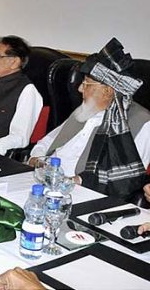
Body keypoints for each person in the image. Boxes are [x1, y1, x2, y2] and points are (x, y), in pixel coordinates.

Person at [29, 39, 149, 201]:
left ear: (108, 91)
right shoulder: (86, 109)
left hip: (83, 194)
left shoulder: (140, 122)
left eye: (86, 84)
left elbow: (128, 178)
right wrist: (36, 159)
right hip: (45, 182)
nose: (79, 89)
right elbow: (49, 140)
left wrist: (76, 181)